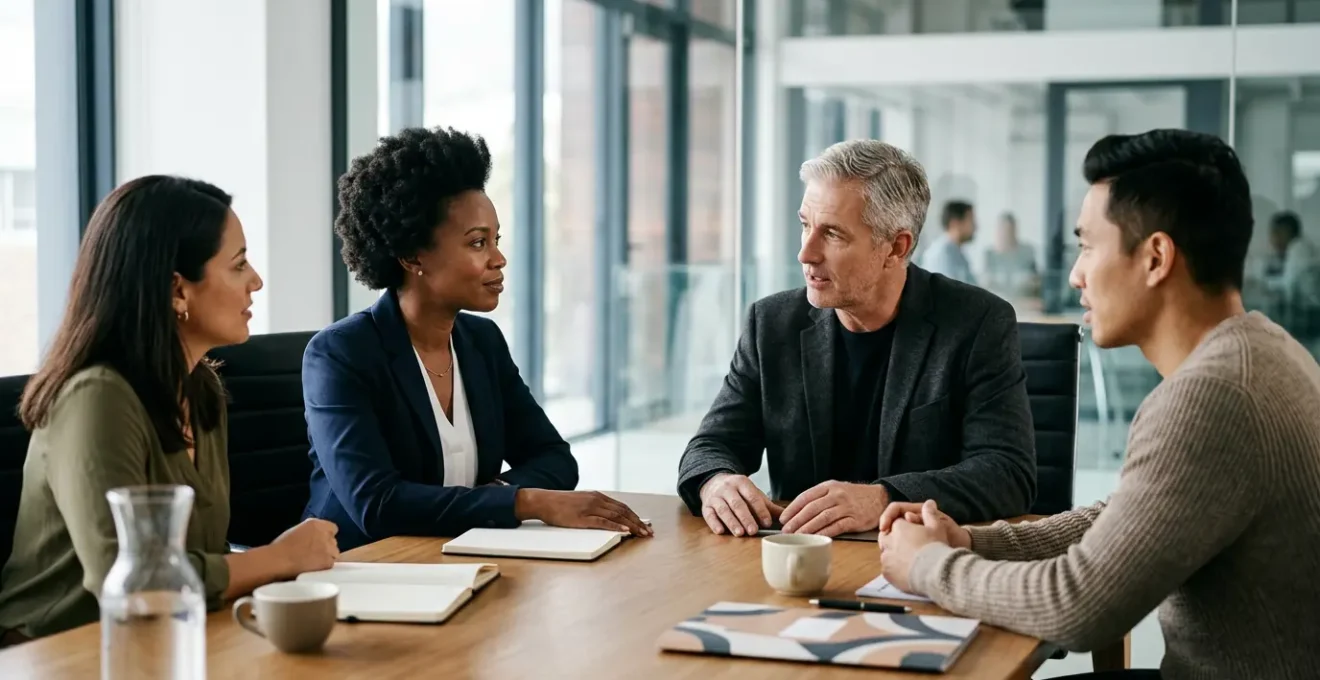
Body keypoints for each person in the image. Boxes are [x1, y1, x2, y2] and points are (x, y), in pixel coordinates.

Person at [878, 130, 1320, 680]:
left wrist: (928, 565)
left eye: (1087, 246)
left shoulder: (1212, 396)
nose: (1075, 274)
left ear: (1156, 256)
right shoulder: (1262, 349)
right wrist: (970, 540)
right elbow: (1120, 519)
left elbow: (1078, 607)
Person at [0, 176, 340, 646]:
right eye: (238, 265)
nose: (256, 281)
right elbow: (131, 582)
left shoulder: (201, 388)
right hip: (59, 652)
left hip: (169, 638)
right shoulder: (96, 398)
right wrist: (280, 558)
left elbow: (204, 556)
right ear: (177, 290)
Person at [304, 127, 650, 551]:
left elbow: (554, 458)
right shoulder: (340, 354)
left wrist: (496, 497)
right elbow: (378, 505)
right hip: (365, 568)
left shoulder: (481, 342)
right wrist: (523, 501)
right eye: (477, 243)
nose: (498, 259)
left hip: (464, 558)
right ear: (413, 256)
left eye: (495, 240)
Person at [677, 139, 1036, 538]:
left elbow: (1007, 473)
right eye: (804, 225)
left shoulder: (977, 323)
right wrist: (716, 481)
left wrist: (883, 497)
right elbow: (710, 445)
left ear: (895, 248)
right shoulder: (772, 323)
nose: (806, 253)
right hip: (799, 562)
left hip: (923, 561)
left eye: (832, 234)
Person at [919, 200, 978, 284]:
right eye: (971, 221)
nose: (975, 227)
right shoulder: (942, 254)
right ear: (955, 223)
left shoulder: (957, 253)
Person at [983, 212, 1039, 298]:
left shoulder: (1027, 253)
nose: (1006, 234)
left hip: (1024, 303)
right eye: (1003, 230)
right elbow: (986, 285)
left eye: (1009, 230)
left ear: (1015, 230)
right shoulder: (990, 255)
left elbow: (1035, 282)